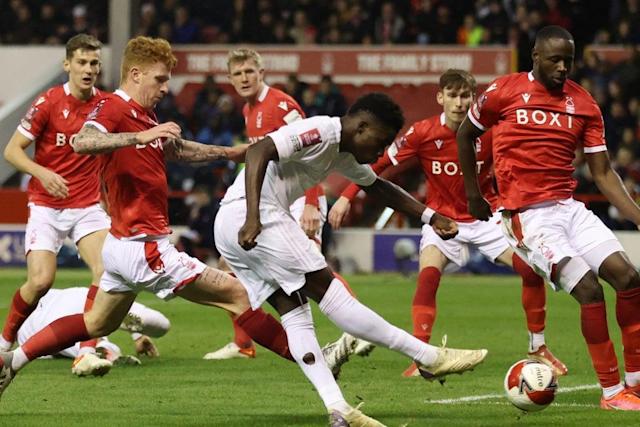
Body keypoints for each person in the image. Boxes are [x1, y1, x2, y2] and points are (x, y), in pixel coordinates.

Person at [0, 36, 300, 407]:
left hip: (117, 237)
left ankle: (14, 360)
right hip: (140, 243)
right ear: (136, 74)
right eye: (160, 79)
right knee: (238, 295)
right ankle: (313, 360)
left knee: (96, 323)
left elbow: (178, 150)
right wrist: (143, 135)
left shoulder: (144, 113)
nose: (166, 87)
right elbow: (82, 141)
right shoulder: (111, 106)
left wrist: (234, 152)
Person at [214, 92, 488, 424]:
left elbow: (378, 187)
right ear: (361, 126)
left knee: (296, 314)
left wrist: (430, 217)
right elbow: (259, 150)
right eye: (380, 140)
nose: (381, 150)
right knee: (333, 295)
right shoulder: (322, 130)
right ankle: (427, 356)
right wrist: (255, 216)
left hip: (228, 226)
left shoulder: (342, 155)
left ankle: (338, 408)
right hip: (255, 215)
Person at [329, 69, 567, 378]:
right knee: (428, 277)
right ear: (440, 98)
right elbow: (381, 164)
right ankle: (421, 355)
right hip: (442, 219)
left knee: (529, 269)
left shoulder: (491, 131)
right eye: (452, 96)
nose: (458, 102)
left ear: (474, 98)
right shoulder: (423, 132)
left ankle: (538, 347)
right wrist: (347, 196)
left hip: (486, 217)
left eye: (464, 96)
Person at [456, 25, 640, 410]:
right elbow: (464, 134)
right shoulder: (503, 91)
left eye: (568, 61)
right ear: (535, 57)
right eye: (554, 59)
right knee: (589, 289)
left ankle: (635, 382)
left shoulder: (584, 103)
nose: (562, 68)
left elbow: (604, 174)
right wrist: (473, 194)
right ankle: (611, 393)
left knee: (629, 278)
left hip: (569, 208)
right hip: (527, 215)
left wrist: (637, 215)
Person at [204, 48, 373, 370]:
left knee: (312, 271)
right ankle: (242, 345)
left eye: (249, 72)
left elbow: (314, 151)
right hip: (272, 199)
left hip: (299, 198)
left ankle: (359, 328)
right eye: (238, 73)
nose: (244, 78)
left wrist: (311, 201)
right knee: (229, 266)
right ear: (229, 78)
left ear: (262, 72)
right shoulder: (248, 110)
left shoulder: (281, 105)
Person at [1, 34, 112, 376]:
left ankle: (87, 351)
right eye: (81, 62)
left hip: (87, 205)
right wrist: (42, 172)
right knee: (40, 281)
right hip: (46, 205)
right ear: (67, 65)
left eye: (94, 63)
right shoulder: (49, 102)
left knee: (108, 271)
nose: (88, 69)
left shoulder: (106, 106)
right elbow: (12, 151)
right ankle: (5, 343)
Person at [17, 287, 170, 368]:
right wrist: (137, 335)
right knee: (162, 324)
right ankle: (117, 317)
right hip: (78, 295)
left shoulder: (26, 324)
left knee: (86, 343)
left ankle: (105, 348)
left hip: (42, 321)